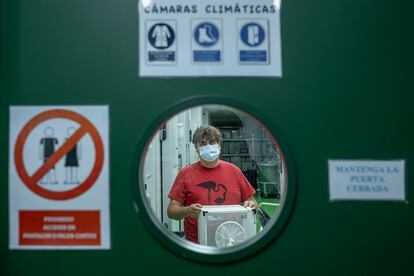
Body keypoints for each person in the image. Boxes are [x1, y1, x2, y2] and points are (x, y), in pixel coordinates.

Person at [167, 125, 257, 244]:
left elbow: (253, 202)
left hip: (231, 240)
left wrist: (251, 204)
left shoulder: (234, 171)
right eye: (203, 143)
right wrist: (187, 210)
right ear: (196, 147)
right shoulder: (185, 174)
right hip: (196, 243)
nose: (208, 146)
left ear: (219, 144)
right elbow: (171, 211)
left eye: (212, 142)